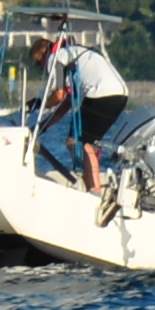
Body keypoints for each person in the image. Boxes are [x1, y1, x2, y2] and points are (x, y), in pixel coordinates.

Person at [27, 29, 131, 201]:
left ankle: (94, 192)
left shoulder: (56, 57)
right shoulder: (72, 56)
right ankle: (93, 189)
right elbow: (66, 103)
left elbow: (58, 95)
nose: (41, 68)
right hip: (120, 95)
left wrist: (38, 103)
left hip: (101, 94)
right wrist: (42, 127)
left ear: (44, 52)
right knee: (83, 143)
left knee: (79, 143)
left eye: (38, 62)